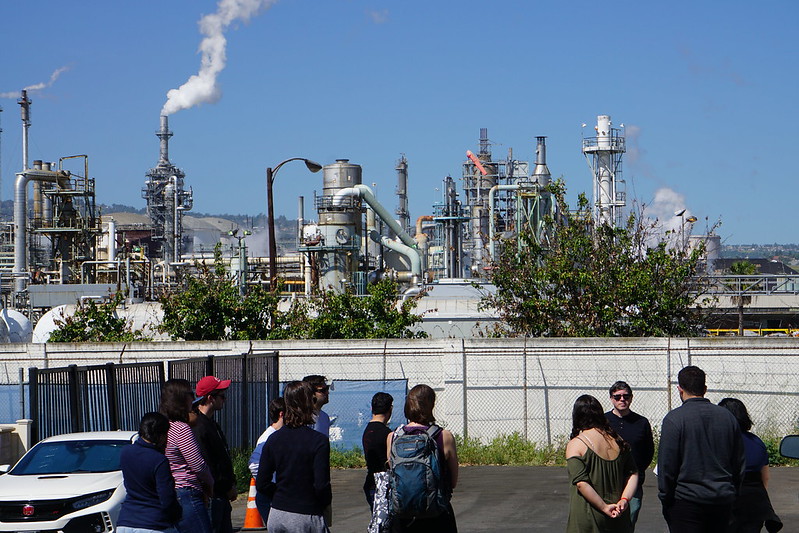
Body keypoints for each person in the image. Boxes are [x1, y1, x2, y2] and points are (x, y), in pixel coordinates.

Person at [657, 366, 746, 533]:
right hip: (721, 499)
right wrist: (733, 492)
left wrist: (665, 497)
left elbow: (667, 465)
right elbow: (739, 462)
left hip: (686, 501)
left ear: (679, 389)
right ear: (704, 389)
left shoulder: (674, 419)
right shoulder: (727, 417)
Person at [257, 381, 331, 533]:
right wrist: (322, 503)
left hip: (278, 513)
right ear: (309, 403)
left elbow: (262, 483)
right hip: (305, 513)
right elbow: (321, 485)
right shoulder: (318, 441)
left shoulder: (274, 439)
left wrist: (280, 493)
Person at [386, 384, 458, 533]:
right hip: (436, 514)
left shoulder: (393, 437)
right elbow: (453, 481)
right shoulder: (443, 436)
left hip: (402, 516)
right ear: (431, 405)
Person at [566, 395, 638, 533]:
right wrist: (625, 499)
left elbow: (581, 482)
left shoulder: (577, 444)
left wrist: (604, 507)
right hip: (618, 515)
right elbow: (633, 473)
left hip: (588, 517)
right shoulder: (617, 440)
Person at [718, 398, 782, 533]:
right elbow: (765, 477)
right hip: (755, 502)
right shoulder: (757, 442)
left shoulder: (720, 441)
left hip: (727, 501)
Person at [159, 378, 214, 533]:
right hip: (186, 492)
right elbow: (198, 464)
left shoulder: (162, 427)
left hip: (168, 492)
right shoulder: (181, 429)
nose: (193, 398)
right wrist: (210, 483)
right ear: (181, 398)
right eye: (190, 393)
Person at [117, 412, 182, 533]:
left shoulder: (125, 452)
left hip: (126, 521)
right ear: (161, 436)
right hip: (154, 523)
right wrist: (177, 515)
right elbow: (167, 498)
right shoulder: (159, 460)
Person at [604, 381, 654, 529]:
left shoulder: (641, 422)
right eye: (617, 396)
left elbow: (648, 451)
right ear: (611, 398)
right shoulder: (603, 421)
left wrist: (637, 471)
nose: (622, 400)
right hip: (608, 482)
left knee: (629, 521)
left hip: (633, 481)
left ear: (631, 398)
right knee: (607, 523)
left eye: (626, 396)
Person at [192, 375, 236, 533]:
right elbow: (208, 463)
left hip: (221, 494)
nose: (224, 399)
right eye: (222, 396)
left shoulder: (211, 423)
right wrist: (226, 486)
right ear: (210, 398)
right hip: (213, 494)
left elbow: (223, 457)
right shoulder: (198, 426)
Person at [249, 397, 285, 522]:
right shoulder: (268, 437)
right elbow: (254, 464)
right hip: (269, 495)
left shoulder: (278, 435)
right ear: (282, 414)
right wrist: (269, 485)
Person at [362, 392, 393, 509]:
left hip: (370, 481)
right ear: (390, 409)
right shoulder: (387, 433)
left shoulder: (367, 431)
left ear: (372, 408)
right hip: (383, 484)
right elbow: (390, 461)